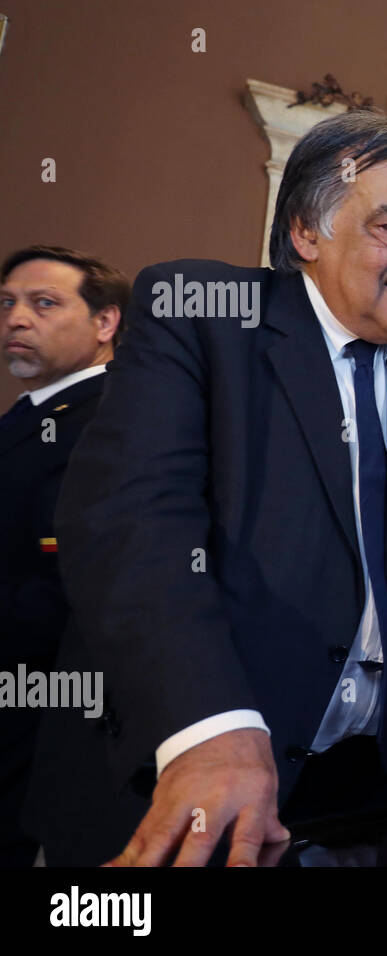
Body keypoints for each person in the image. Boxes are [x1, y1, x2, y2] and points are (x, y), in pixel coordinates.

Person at [24, 110, 387, 868]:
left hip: (384, 798)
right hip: (186, 771)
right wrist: (210, 723)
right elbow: (135, 524)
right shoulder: (198, 312)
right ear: (308, 233)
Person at [0, 246, 127, 866]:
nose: (16, 320)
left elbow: (71, 576)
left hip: (42, 699)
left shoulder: (108, 418)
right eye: (7, 304)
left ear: (105, 323)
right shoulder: (37, 413)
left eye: (43, 303)